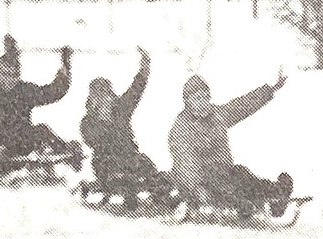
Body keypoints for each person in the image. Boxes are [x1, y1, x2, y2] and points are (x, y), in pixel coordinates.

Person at [167, 71, 293, 218]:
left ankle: (276, 194)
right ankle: (242, 204)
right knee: (221, 185)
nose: (202, 103)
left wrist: (270, 89)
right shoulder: (181, 127)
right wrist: (196, 188)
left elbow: (243, 105)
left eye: (205, 97)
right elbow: (185, 161)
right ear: (188, 102)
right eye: (196, 99)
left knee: (242, 174)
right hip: (201, 178)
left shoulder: (217, 114)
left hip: (224, 170)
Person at [80, 47, 173, 208]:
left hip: (129, 158)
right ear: (93, 102)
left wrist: (144, 67)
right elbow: (94, 140)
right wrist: (105, 124)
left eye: (107, 96)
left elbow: (136, 90)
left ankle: (161, 196)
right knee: (119, 174)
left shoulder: (121, 111)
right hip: (106, 162)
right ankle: (129, 198)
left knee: (145, 163)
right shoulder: (88, 122)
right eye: (99, 98)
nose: (104, 101)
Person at [0, 35, 81, 169]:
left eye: (13, 75)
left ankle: (65, 151)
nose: (8, 79)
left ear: (18, 76)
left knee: (42, 130)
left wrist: (65, 68)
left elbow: (51, 93)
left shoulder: (23, 91)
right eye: (4, 74)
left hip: (20, 140)